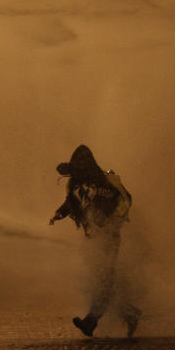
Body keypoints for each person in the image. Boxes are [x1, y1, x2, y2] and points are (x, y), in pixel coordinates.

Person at [49, 144, 142, 337]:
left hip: (109, 236)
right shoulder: (74, 184)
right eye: (77, 161)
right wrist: (59, 214)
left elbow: (126, 200)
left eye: (84, 161)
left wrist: (114, 221)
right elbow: (72, 201)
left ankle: (91, 321)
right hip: (91, 238)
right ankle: (129, 313)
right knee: (101, 279)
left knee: (103, 278)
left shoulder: (106, 180)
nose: (81, 165)